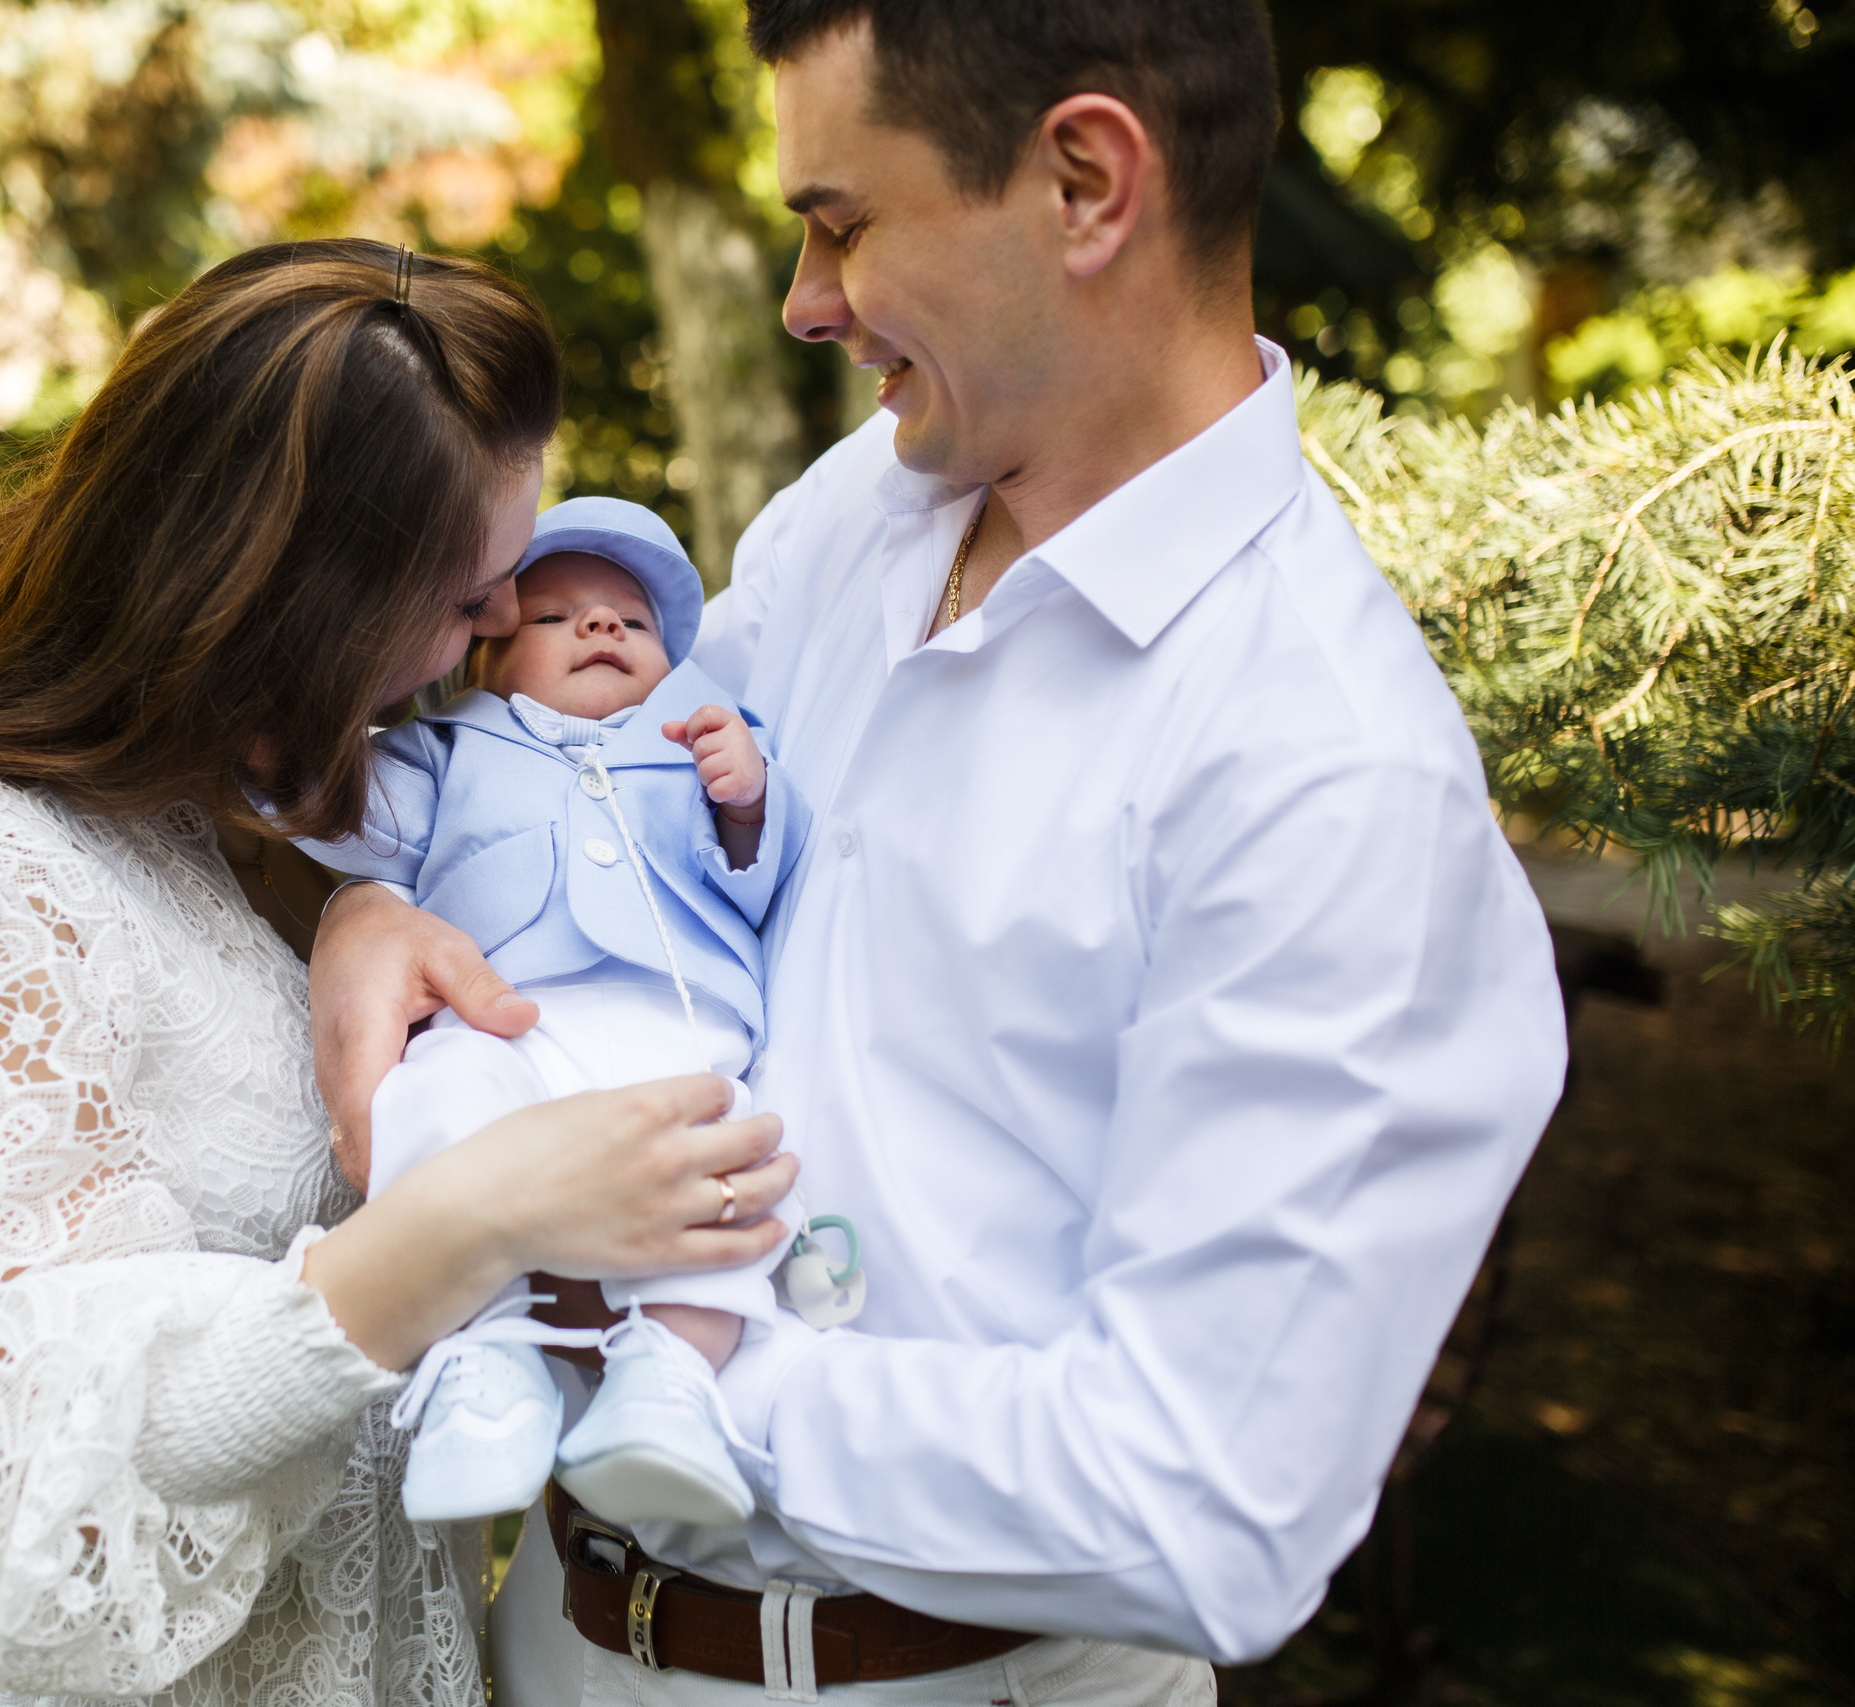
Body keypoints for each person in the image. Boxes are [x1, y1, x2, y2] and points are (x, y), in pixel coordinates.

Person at [304, 4, 1570, 1704]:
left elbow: (1200, 1500)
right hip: (550, 1645)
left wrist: (635, 1357)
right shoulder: (856, 516)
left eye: (841, 220)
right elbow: (602, 824)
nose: (803, 297)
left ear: (1084, 182)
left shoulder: (1330, 769)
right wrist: (378, 905)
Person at [0, 239, 799, 1707]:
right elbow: (59, 1495)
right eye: (476, 587)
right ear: (303, 595)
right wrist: (473, 1215)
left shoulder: (307, 824)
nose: (503, 624)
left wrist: (352, 913)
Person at [290, 497, 811, 1531]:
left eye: (632, 619)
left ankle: (670, 1387)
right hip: (507, 1026)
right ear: (485, 656)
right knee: (434, 1102)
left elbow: (760, 879)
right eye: (555, 615)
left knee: (737, 1184)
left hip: (678, 1032)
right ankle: (484, 1357)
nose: (602, 627)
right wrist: (296, 744)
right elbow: (341, 814)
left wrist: (748, 801)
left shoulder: (703, 744)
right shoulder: (449, 748)